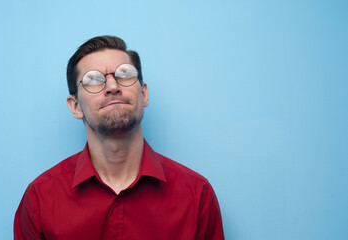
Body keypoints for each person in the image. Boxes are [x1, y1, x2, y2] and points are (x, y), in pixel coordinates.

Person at [14, 35, 224, 240]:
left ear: (144, 94)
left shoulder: (197, 195)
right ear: (76, 106)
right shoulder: (40, 199)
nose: (113, 87)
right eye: (93, 79)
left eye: (124, 75)